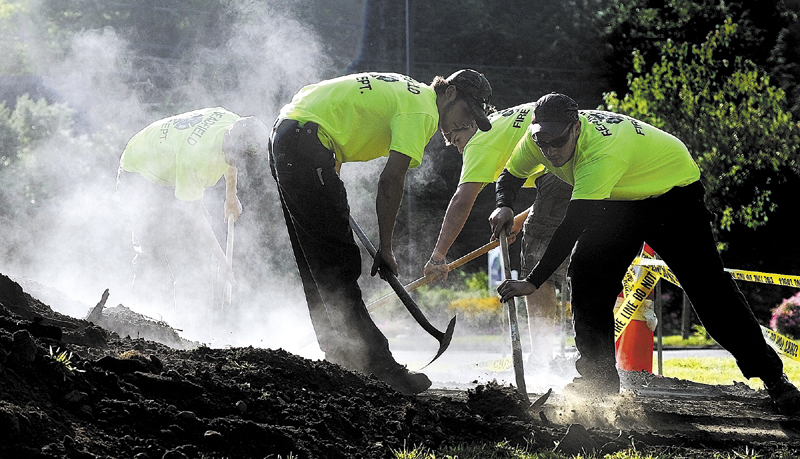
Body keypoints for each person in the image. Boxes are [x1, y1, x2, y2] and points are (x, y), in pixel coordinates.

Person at [490, 92, 800, 414]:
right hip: (620, 198)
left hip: (672, 194)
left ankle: (774, 379)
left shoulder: (600, 153)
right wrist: (504, 206)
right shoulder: (537, 139)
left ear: (576, 128)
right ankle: (598, 383)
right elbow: (511, 174)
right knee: (588, 278)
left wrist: (533, 281)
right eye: (543, 143)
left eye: (557, 142)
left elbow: (572, 226)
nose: (550, 152)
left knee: (710, 293)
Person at [269, 70, 493, 395]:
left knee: (318, 262)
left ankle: (340, 356)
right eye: (468, 112)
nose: (466, 124)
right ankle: (379, 367)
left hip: (289, 134)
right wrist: (386, 246)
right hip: (305, 141)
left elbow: (326, 107)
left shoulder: (409, 90)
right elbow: (391, 180)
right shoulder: (424, 110)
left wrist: (328, 173)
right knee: (339, 262)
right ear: (451, 93)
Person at [424, 104, 571, 370]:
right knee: (557, 251)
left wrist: (438, 257)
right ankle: (561, 355)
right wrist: (520, 220)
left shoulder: (479, 143)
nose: (460, 149)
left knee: (536, 264)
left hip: (564, 163)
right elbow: (548, 197)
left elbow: (462, 200)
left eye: (457, 140)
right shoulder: (498, 124)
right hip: (574, 156)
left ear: (468, 125)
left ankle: (542, 359)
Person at [116, 107, 269, 325]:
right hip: (140, 173)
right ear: (229, 141)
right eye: (235, 156)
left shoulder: (235, 124)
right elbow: (194, 214)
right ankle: (145, 325)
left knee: (192, 255)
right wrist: (222, 262)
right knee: (153, 251)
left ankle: (189, 328)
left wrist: (231, 195)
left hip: (172, 170)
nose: (235, 161)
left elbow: (232, 162)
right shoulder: (197, 157)